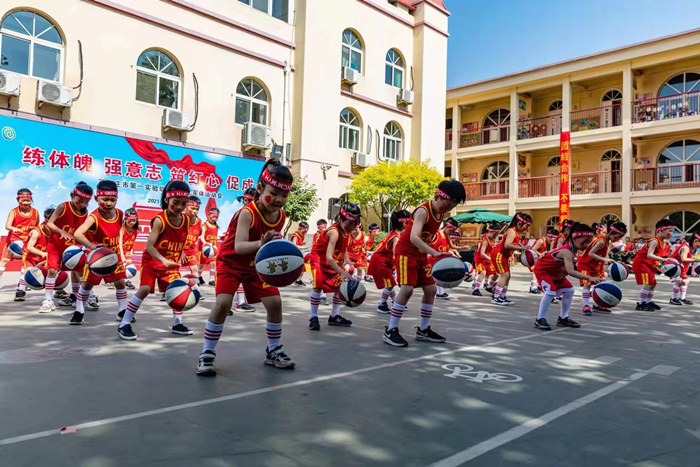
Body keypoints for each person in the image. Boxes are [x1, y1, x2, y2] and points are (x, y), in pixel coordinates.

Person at [197, 159, 295, 375]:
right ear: (260, 188)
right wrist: (262, 243)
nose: (279, 199)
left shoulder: (281, 216)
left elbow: (272, 246)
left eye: (284, 195)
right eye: (274, 192)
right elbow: (239, 247)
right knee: (223, 303)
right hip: (231, 263)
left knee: (275, 303)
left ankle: (273, 350)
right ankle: (207, 353)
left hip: (256, 266)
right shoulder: (247, 213)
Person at [383, 179, 466, 347]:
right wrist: (433, 252)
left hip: (420, 255)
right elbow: (414, 237)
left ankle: (423, 329)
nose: (447, 209)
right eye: (446, 205)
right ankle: (390, 330)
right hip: (406, 252)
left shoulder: (440, 214)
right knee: (407, 289)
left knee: (431, 289)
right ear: (437, 196)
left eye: (451, 207)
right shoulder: (423, 211)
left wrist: (444, 253)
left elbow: (430, 237)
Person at [117, 181, 192, 340]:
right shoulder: (160, 220)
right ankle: (124, 323)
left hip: (170, 264)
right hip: (152, 261)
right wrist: (163, 260)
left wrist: (182, 252)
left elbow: (181, 238)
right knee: (144, 290)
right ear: (167, 200)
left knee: (178, 290)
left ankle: (177, 323)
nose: (179, 207)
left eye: (183, 204)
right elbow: (150, 246)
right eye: (175, 203)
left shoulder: (186, 220)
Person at [71, 180, 129, 325]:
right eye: (105, 199)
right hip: (97, 258)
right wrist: (92, 246)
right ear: (96, 199)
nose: (109, 203)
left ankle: (122, 311)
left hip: (113, 256)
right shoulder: (94, 217)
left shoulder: (120, 214)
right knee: (87, 285)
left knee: (120, 283)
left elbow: (117, 232)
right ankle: (79, 311)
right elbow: (78, 234)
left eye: (112, 200)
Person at [533, 223, 603, 330]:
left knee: (569, 290)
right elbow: (570, 271)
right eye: (585, 241)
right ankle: (539, 319)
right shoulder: (567, 252)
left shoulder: (574, 251)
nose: (587, 244)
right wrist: (589, 278)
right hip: (544, 271)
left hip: (555, 272)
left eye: (589, 242)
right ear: (575, 238)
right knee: (550, 291)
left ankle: (563, 318)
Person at [307, 202, 361, 330]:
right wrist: (341, 271)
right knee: (318, 287)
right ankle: (313, 316)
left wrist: (347, 260)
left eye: (354, 224)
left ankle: (334, 316)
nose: (351, 226)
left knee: (339, 286)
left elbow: (344, 249)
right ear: (340, 219)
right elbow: (328, 257)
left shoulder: (345, 231)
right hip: (319, 260)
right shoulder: (334, 232)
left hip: (334, 261)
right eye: (349, 223)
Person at [41, 182, 93, 313]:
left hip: (72, 247)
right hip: (56, 245)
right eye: (79, 200)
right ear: (72, 195)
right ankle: (48, 300)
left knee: (78, 272)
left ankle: (78, 297)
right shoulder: (63, 207)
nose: (81, 203)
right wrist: (61, 232)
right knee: (52, 271)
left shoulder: (85, 213)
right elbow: (50, 224)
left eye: (85, 202)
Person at [578, 221, 627, 315]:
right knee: (587, 284)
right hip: (585, 264)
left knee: (599, 284)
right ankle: (586, 306)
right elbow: (590, 254)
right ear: (612, 233)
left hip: (595, 266)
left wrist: (608, 262)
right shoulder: (601, 241)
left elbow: (602, 254)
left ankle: (597, 304)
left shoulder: (606, 241)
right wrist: (605, 260)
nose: (617, 239)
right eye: (617, 237)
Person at [368, 210, 410, 313]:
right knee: (390, 283)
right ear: (405, 223)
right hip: (380, 261)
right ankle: (382, 304)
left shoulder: (394, 232)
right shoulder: (396, 236)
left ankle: (396, 302)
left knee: (390, 283)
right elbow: (396, 250)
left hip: (382, 260)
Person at [0, 188, 39, 300]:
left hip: (27, 243)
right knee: (4, 260)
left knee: (25, 264)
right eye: (23, 200)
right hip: (13, 242)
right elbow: (7, 226)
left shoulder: (35, 212)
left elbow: (36, 226)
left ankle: (21, 288)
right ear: (18, 200)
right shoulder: (14, 212)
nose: (26, 203)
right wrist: (14, 228)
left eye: (28, 200)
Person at [490, 213, 532, 306]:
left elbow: (515, 243)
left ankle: (502, 296)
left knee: (508, 276)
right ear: (519, 224)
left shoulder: (515, 232)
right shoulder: (512, 231)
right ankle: (496, 297)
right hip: (499, 254)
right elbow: (507, 245)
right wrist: (522, 248)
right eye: (527, 226)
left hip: (503, 255)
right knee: (505, 275)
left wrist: (523, 247)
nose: (527, 229)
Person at [631, 219, 674, 312]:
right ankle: (641, 303)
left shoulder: (663, 242)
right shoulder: (654, 241)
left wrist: (659, 265)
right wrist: (662, 259)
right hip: (641, 264)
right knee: (648, 283)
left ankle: (648, 301)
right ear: (660, 230)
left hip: (648, 264)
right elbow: (649, 255)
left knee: (653, 283)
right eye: (669, 231)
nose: (671, 233)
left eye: (672, 231)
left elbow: (655, 256)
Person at [17, 207, 55, 301]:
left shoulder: (53, 232)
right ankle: (20, 290)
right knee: (28, 271)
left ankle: (58, 288)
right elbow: (30, 247)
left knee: (52, 270)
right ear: (46, 221)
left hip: (42, 255)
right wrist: (43, 253)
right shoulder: (36, 231)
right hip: (30, 254)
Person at [232, 188, 257, 312]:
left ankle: (240, 302)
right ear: (246, 200)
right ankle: (240, 303)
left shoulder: (250, 213)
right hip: (233, 253)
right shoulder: (243, 214)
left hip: (241, 252)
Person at [430, 217, 460, 299]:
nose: (452, 232)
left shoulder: (447, 235)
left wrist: (462, 248)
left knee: (442, 275)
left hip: (441, 258)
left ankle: (440, 292)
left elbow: (452, 246)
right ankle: (435, 293)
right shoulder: (436, 234)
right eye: (452, 230)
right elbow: (428, 245)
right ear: (448, 226)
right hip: (433, 258)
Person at [669, 232, 700, 305]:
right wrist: (696, 260)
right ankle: (673, 299)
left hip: (681, 268)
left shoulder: (690, 248)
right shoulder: (685, 247)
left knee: (685, 281)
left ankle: (682, 299)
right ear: (695, 241)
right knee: (679, 282)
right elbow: (684, 259)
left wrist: (694, 258)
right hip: (675, 267)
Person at [472, 222, 500, 296]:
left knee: (496, 274)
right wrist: (491, 259)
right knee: (483, 272)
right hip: (480, 259)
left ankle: (490, 287)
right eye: (495, 234)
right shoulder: (485, 240)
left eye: (497, 234)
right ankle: (476, 289)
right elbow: (482, 253)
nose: (496, 235)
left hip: (487, 258)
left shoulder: (493, 240)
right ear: (490, 231)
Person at [183, 195, 203, 283]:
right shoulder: (180, 219)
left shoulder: (199, 222)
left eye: (197, 209)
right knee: (172, 271)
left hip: (190, 250)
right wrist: (180, 251)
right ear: (185, 207)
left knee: (195, 269)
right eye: (192, 208)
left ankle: (195, 289)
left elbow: (201, 234)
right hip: (178, 248)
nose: (195, 211)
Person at [119, 205, 139, 290]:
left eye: (134, 220)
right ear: (125, 219)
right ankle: (120, 280)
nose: (132, 223)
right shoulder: (122, 229)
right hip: (118, 250)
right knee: (122, 265)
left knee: (131, 268)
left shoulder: (136, 230)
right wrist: (122, 256)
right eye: (130, 220)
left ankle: (125, 280)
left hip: (127, 251)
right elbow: (119, 243)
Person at [199, 206, 220, 286]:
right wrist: (205, 243)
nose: (214, 219)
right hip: (205, 248)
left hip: (213, 249)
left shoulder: (215, 226)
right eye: (213, 217)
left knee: (213, 262)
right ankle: (199, 276)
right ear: (208, 215)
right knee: (201, 264)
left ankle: (212, 280)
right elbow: (202, 236)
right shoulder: (204, 225)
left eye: (216, 217)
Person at [290, 221, 309, 286]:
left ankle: (298, 280)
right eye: (304, 231)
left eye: (306, 232)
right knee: (297, 268)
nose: (305, 233)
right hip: (293, 254)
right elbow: (294, 245)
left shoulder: (302, 235)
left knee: (302, 268)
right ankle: (294, 280)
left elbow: (300, 242)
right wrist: (304, 247)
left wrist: (303, 243)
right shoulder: (295, 235)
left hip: (298, 254)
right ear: (300, 229)